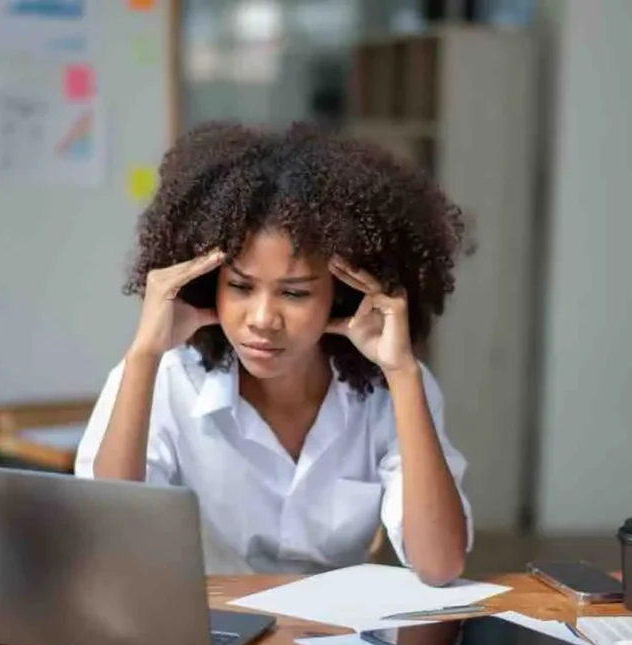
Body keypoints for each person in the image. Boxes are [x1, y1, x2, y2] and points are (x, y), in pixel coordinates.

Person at [74, 121, 472, 585]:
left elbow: (440, 564)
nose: (263, 318)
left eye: (296, 293)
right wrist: (144, 353)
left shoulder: (390, 389)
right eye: (240, 287)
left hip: (331, 640)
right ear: (209, 285)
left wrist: (403, 374)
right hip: (206, 633)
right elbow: (113, 542)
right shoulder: (167, 378)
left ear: (341, 295)